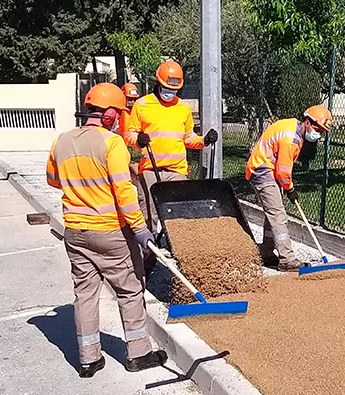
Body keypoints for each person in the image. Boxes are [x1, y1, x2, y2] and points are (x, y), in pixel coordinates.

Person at [47, 83, 168, 378]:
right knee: (129, 290)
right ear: (111, 114)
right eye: (120, 113)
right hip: (111, 232)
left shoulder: (61, 141)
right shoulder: (112, 144)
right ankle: (138, 354)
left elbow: (53, 180)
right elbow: (124, 192)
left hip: (75, 231)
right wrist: (140, 230)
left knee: (85, 294)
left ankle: (89, 359)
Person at [125, 61, 218, 232]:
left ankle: (178, 252)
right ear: (158, 83)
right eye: (167, 87)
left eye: (174, 89)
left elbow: (188, 138)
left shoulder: (183, 107)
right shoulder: (142, 105)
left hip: (177, 171)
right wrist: (138, 140)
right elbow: (129, 135)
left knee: (180, 217)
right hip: (150, 171)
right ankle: (148, 255)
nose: (170, 92)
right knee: (148, 216)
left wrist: (204, 140)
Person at [245, 105, 333, 270]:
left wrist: (287, 187)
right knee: (278, 215)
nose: (317, 133)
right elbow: (283, 172)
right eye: (317, 128)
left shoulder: (294, 129)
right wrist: (290, 189)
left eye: (321, 131)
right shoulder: (292, 138)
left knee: (273, 213)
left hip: (265, 168)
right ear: (307, 121)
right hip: (262, 170)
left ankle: (266, 252)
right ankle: (287, 259)